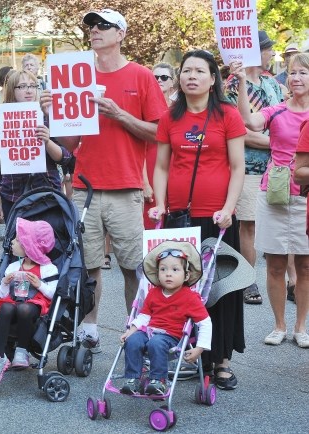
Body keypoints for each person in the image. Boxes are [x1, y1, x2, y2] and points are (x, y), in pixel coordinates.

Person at [41, 9, 168, 352]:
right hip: (85, 186)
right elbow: (69, 145)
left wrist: (119, 114)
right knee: (90, 266)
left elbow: (159, 132)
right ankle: (90, 328)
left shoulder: (141, 76)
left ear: (121, 33)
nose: (94, 31)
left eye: (103, 26)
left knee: (134, 267)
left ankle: (136, 328)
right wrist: (54, 115)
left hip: (126, 187)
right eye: (91, 26)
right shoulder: (76, 76)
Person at [149, 50, 246, 390]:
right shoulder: (169, 117)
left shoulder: (228, 115)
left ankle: (220, 361)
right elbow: (161, 166)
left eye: (199, 71)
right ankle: (188, 354)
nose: (192, 76)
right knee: (181, 288)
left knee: (218, 290)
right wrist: (159, 204)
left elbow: (237, 167)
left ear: (212, 79)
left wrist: (229, 208)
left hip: (217, 218)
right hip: (179, 218)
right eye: (186, 70)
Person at [231, 53, 309, 350]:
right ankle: (279, 325)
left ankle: (301, 327)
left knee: (304, 267)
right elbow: (247, 121)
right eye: (292, 73)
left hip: (307, 196)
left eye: (303, 72)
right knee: (275, 265)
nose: (296, 78)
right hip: (274, 194)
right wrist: (240, 82)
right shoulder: (277, 111)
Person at [224, 31, 285, 305]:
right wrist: (276, 143)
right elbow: (239, 132)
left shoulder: (272, 86)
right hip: (247, 167)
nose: (272, 54)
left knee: (279, 223)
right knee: (247, 225)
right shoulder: (232, 87)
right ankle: (248, 280)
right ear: (254, 51)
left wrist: (279, 143)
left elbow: (281, 122)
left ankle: (290, 280)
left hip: (276, 168)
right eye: (267, 49)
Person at [120, 241, 211, 396]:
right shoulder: (154, 293)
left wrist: (200, 347)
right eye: (163, 269)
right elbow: (144, 316)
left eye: (175, 269)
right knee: (133, 341)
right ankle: (132, 379)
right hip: (149, 332)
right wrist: (132, 330)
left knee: (156, 342)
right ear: (157, 274)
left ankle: (158, 380)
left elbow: (205, 323)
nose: (168, 273)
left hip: (171, 337)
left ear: (186, 275)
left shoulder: (190, 297)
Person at [0, 218, 58, 384]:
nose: (12, 242)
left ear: (29, 246)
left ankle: (22, 350)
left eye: (17, 240)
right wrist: (4, 282)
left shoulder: (48, 269)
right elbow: (2, 295)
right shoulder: (13, 267)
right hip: (13, 302)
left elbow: (54, 294)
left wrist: (39, 284)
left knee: (25, 308)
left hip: (34, 306)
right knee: (5, 308)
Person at [0, 70, 71, 220]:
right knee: (16, 242)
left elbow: (65, 157)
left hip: (46, 193)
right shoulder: (2, 121)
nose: (29, 90)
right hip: (12, 194)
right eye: (22, 86)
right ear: (12, 91)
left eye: (33, 86)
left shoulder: (47, 116)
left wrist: (47, 142)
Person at [143, 62, 176, 230]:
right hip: (150, 170)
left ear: (173, 82)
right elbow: (138, 147)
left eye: (164, 77)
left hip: (176, 172)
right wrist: (145, 183)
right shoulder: (143, 109)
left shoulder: (179, 110)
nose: (159, 80)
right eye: (154, 77)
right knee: (152, 224)